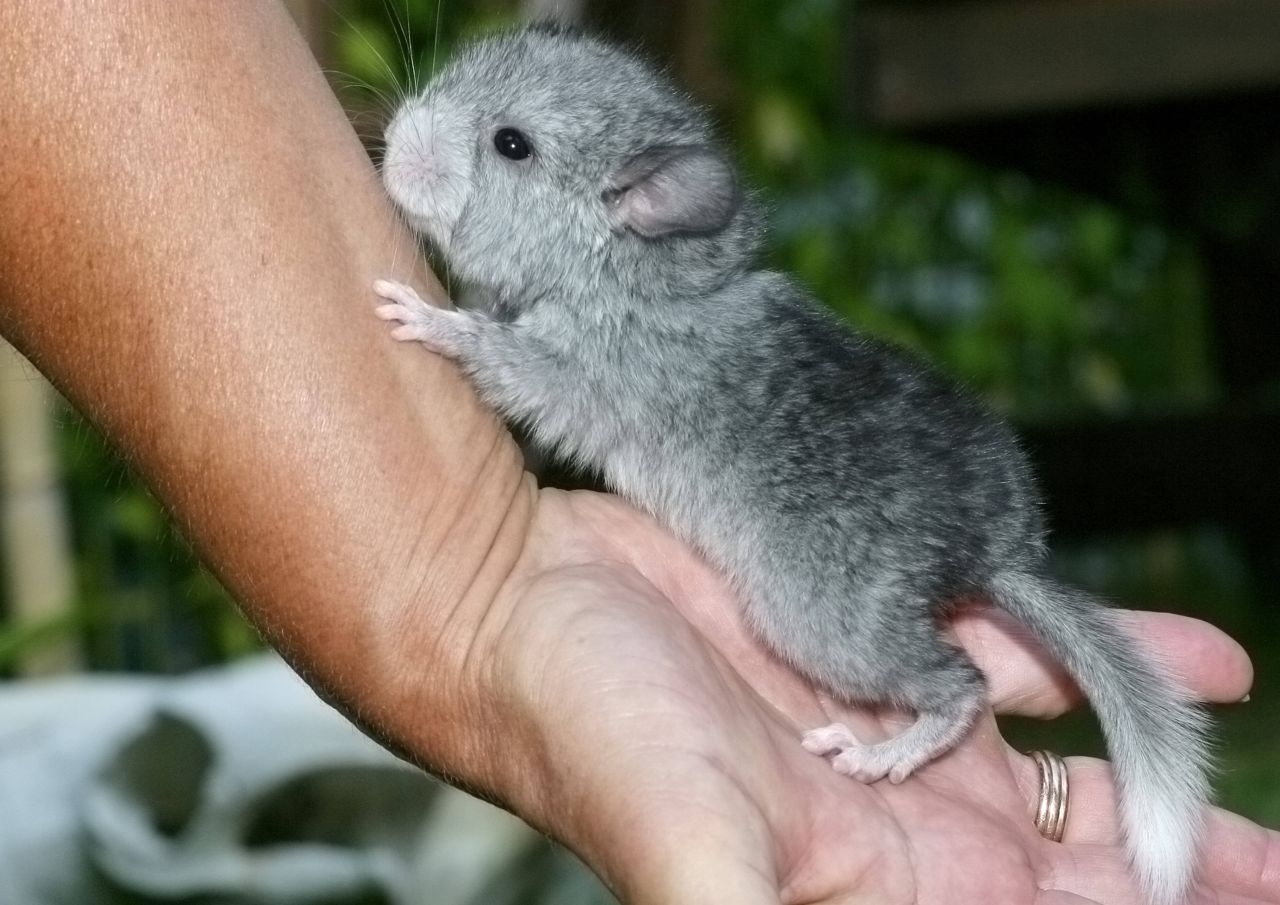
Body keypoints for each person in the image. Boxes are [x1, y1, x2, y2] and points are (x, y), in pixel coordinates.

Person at [0, 3, 1274, 903]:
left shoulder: (646, 328)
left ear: (629, 215)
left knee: (820, 621)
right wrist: (469, 575)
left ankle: (934, 702)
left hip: (840, 518)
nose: (422, 137)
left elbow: (569, 399)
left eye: (507, 151)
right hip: (917, 475)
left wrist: (456, 338)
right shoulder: (663, 293)